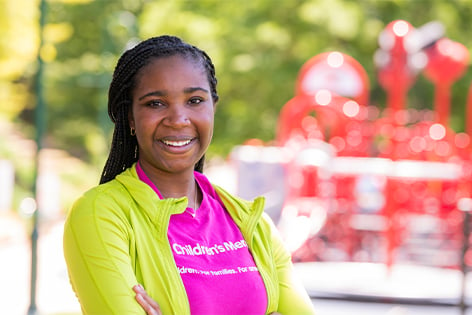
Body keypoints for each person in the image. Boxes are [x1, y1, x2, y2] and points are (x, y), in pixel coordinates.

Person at [63, 35, 315, 315]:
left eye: (194, 100)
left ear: (212, 108)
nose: (178, 119)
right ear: (131, 118)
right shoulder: (100, 215)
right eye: (155, 103)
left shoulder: (253, 224)